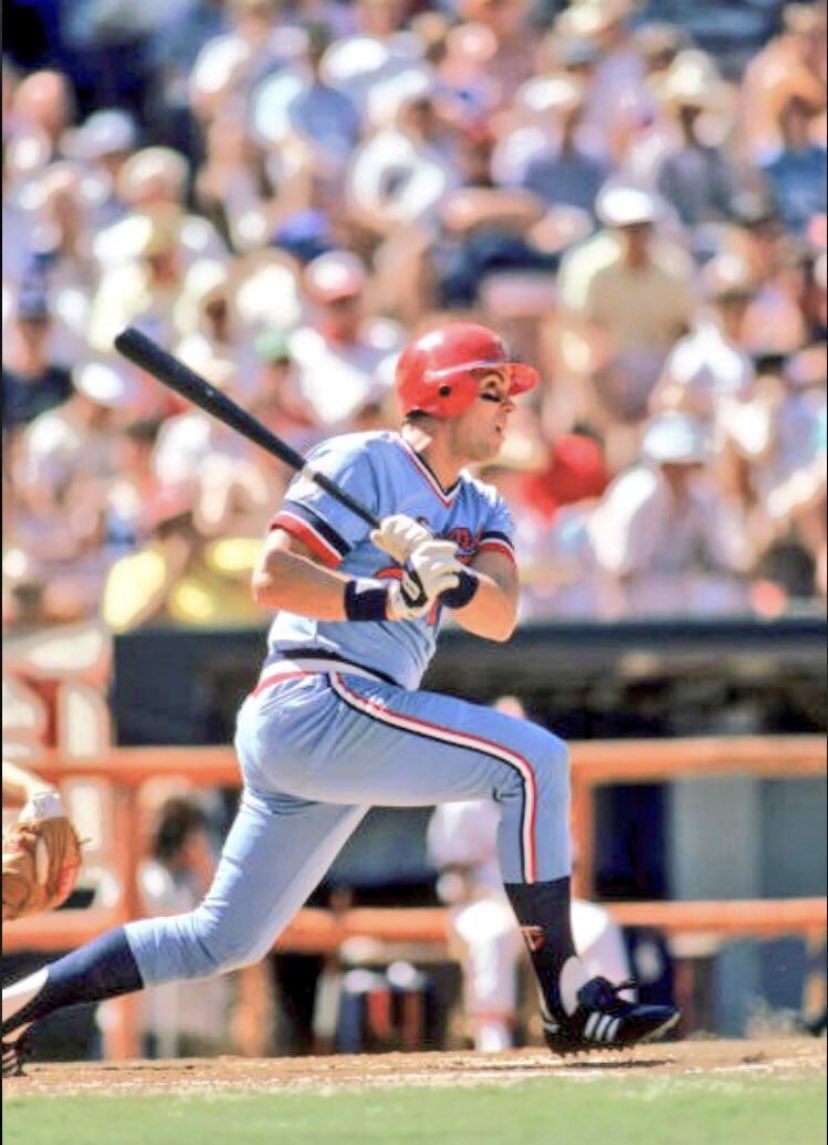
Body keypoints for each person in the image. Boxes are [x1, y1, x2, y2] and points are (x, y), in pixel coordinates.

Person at [1, 321, 679, 1075]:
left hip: (343, 723)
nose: (508, 408)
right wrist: (384, 595)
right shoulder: (360, 461)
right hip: (315, 695)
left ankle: (9, 1007)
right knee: (533, 760)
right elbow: (274, 577)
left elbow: (500, 616)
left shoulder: (483, 502)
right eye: (493, 390)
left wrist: (446, 576)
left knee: (221, 938)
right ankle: (569, 995)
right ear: (445, 393)